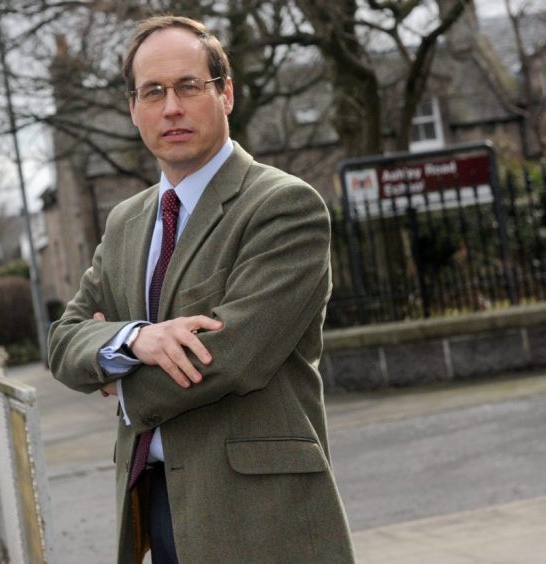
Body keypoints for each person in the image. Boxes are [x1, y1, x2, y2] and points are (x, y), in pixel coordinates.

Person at [47, 15, 355, 564]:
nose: (171, 107)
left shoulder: (284, 206)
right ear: (133, 107)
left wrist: (119, 379)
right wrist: (135, 340)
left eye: (189, 86)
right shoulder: (125, 222)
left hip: (262, 516)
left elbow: (231, 357)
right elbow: (63, 340)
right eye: (153, 92)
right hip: (155, 505)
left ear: (226, 93)